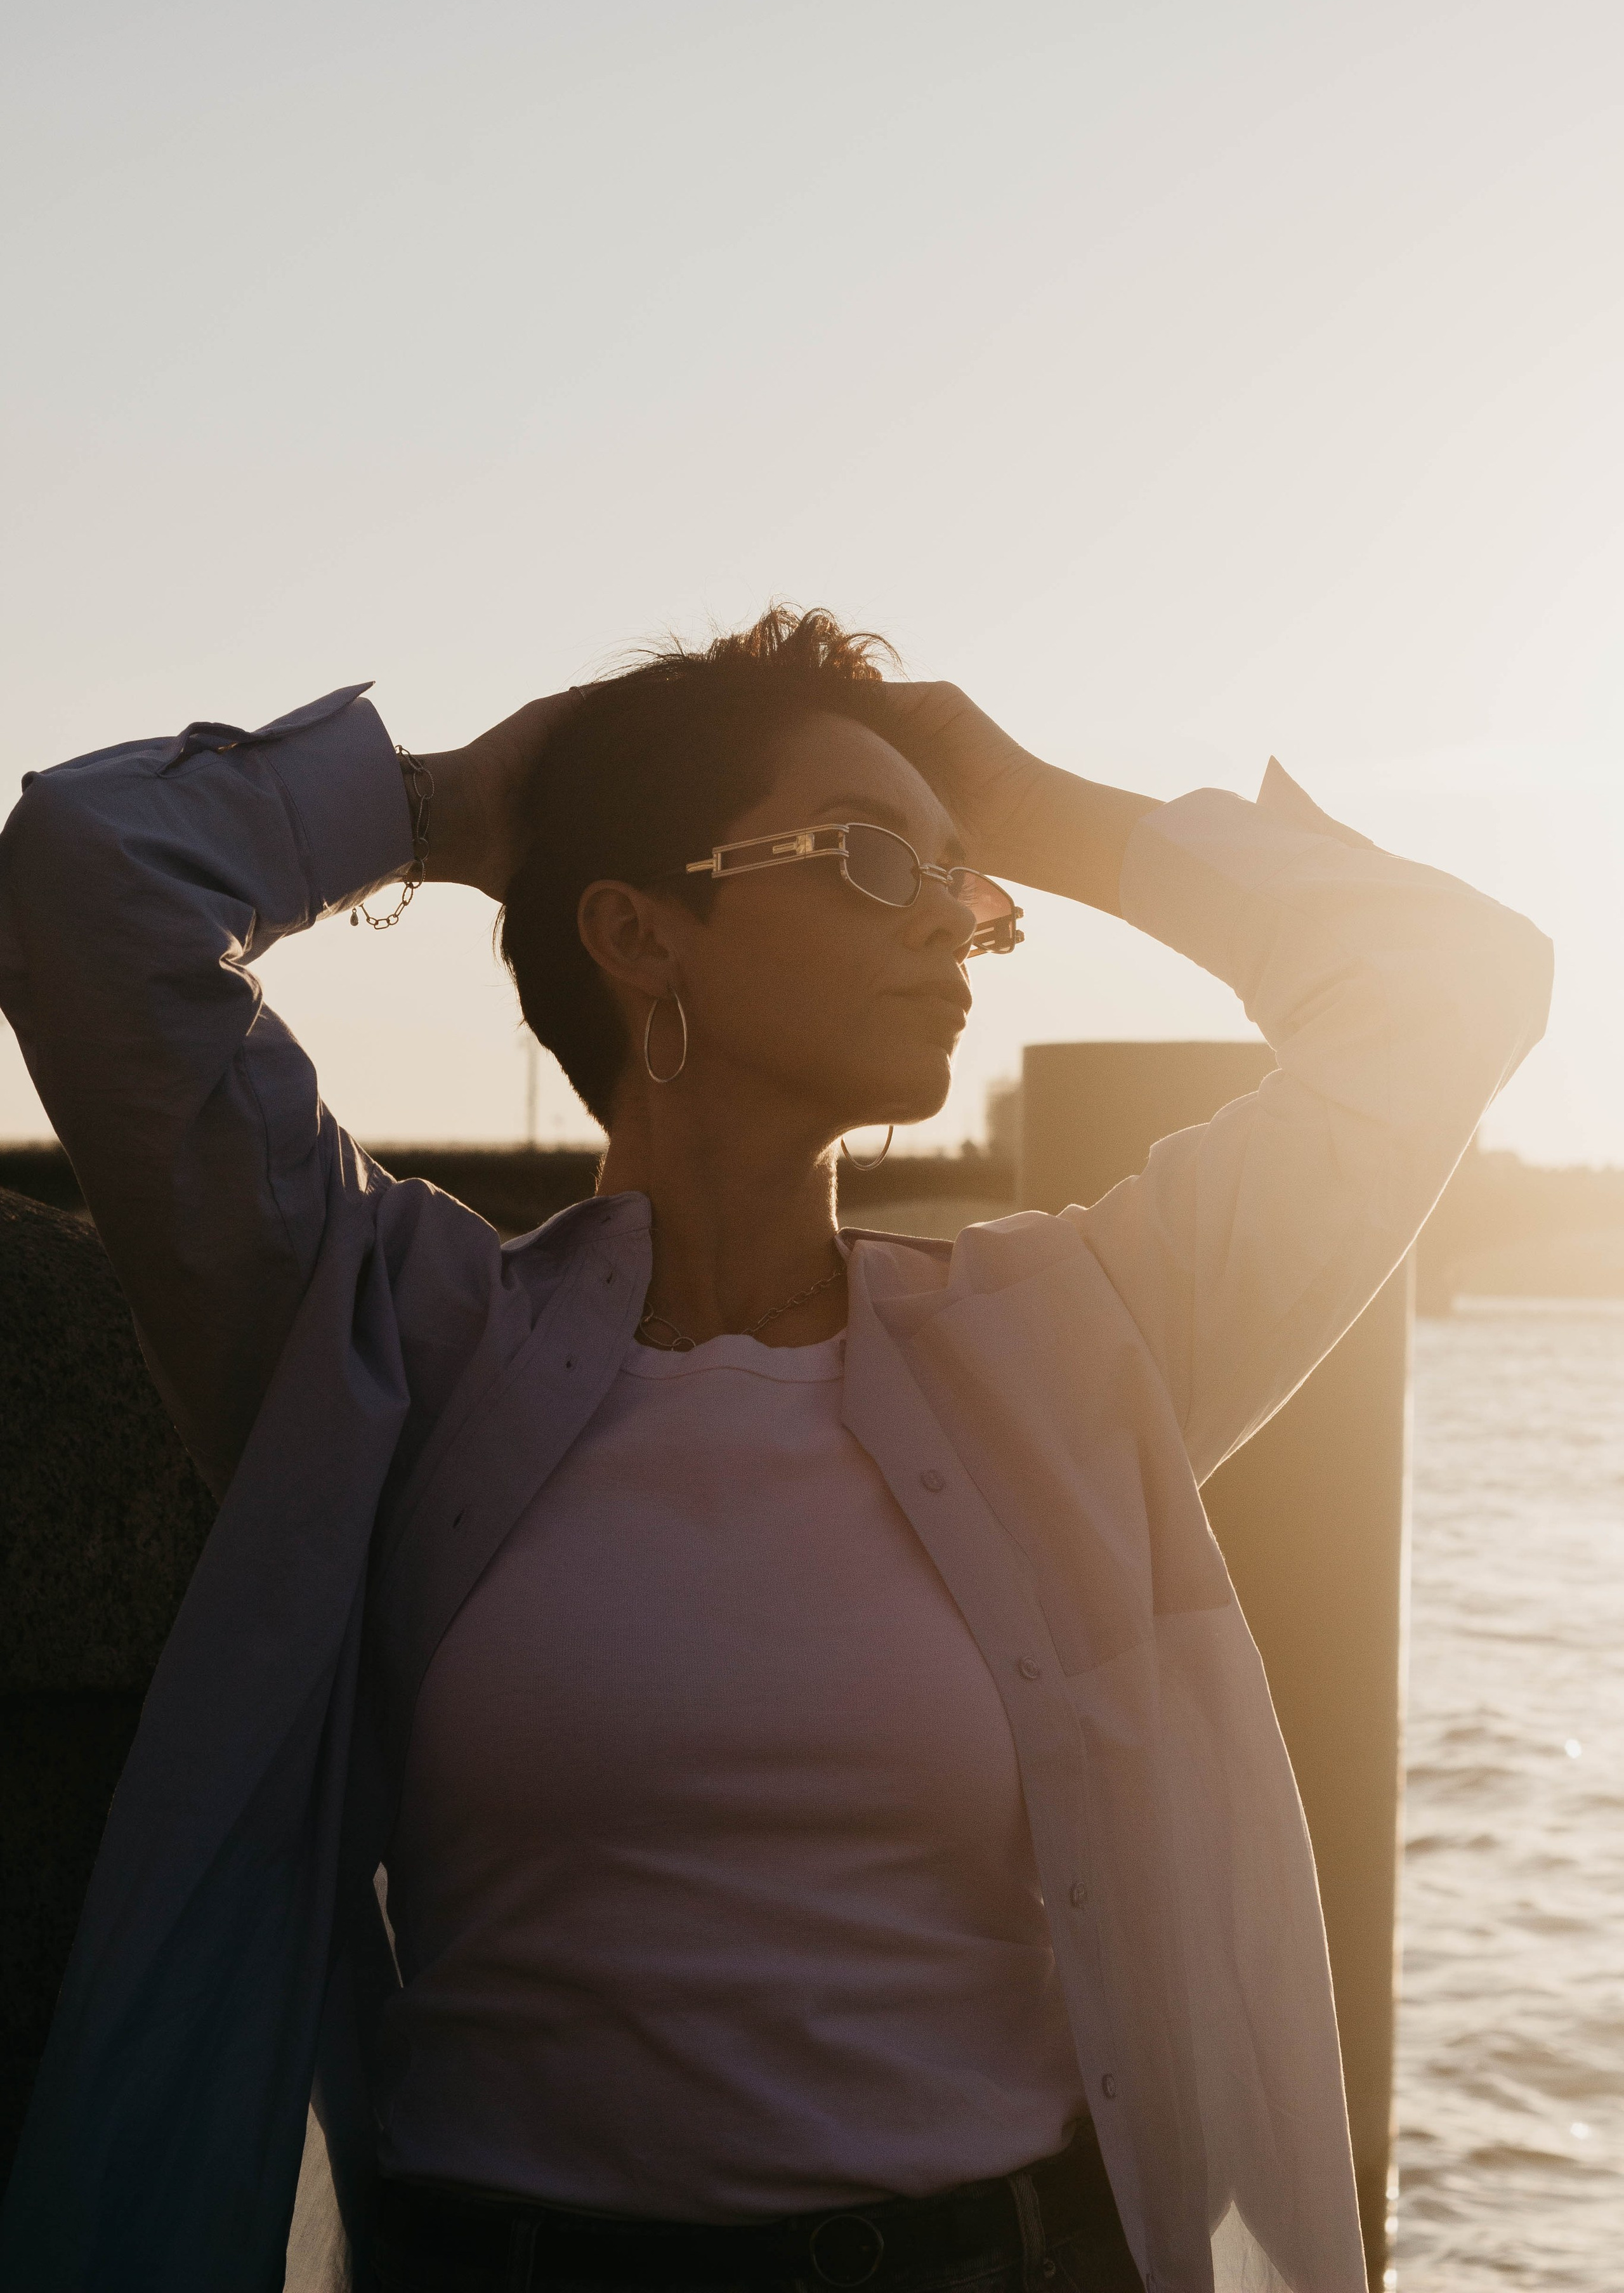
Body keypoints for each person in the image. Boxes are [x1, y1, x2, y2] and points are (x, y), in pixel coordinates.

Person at [0, 607, 1550, 2293]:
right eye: (874, 863)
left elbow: (1453, 988)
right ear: (640, 933)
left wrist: (1039, 808)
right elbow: (89, 883)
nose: (955, 927)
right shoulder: (384, 1342)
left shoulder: (1075, 1347)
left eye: (969, 891)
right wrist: (447, 807)